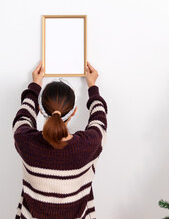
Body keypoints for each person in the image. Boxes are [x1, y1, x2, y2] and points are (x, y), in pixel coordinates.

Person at [12, 61, 107, 219]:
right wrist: (92, 87)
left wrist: (35, 85)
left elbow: (22, 117)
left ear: (41, 110)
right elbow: (100, 120)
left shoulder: (25, 141)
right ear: (74, 111)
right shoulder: (88, 145)